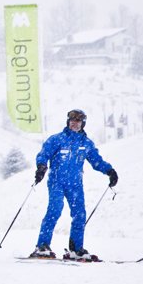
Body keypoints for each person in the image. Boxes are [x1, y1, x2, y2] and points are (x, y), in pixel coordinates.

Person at [30, 108, 118, 262]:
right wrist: (41, 167)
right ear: (68, 122)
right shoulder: (56, 139)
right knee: (55, 210)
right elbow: (43, 154)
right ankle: (42, 246)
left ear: (82, 124)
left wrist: (110, 171)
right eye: (72, 120)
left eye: (78, 121)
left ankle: (76, 249)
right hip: (56, 181)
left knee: (80, 214)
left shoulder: (86, 143)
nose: (74, 123)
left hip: (75, 185)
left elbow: (96, 161)